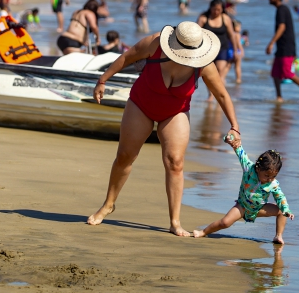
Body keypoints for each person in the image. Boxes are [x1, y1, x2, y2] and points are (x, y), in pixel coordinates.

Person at [87, 21, 240, 236]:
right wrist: (102, 80)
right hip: (141, 104)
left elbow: (222, 94)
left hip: (175, 112)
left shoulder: (203, 63)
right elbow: (126, 57)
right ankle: (108, 205)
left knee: (175, 162)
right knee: (125, 156)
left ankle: (175, 222)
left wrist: (235, 126)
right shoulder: (154, 43)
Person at [194, 135, 293, 244]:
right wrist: (231, 140)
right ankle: (203, 232)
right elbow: (240, 152)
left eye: (273, 176)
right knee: (225, 223)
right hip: (242, 206)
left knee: (281, 211)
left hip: (259, 209)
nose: (269, 179)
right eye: (266, 175)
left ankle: (278, 236)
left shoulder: (273, 184)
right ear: (258, 168)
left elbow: (280, 197)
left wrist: (286, 210)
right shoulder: (249, 168)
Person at [266, 0, 299, 103]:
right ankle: (279, 97)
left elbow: (282, 27)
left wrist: (271, 43)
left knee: (287, 73)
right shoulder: (280, 9)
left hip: (286, 47)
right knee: (275, 73)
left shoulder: (282, 9)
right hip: (281, 47)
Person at [197, 0, 237, 88]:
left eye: (219, 10)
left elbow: (231, 35)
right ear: (210, 8)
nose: (216, 12)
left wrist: (235, 50)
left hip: (222, 48)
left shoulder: (226, 19)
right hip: (207, 50)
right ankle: (211, 95)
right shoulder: (203, 18)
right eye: (214, 9)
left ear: (223, 9)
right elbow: (196, 34)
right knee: (208, 73)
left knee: (220, 71)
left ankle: (220, 95)